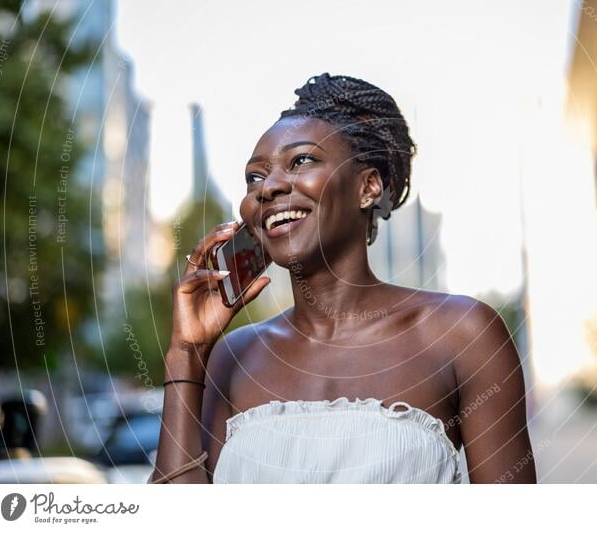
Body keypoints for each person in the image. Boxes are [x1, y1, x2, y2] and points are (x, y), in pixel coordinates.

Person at [148, 73, 536, 484]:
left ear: (368, 187)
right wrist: (186, 354)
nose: (269, 188)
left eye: (301, 161)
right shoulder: (232, 356)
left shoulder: (462, 334)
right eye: (255, 177)